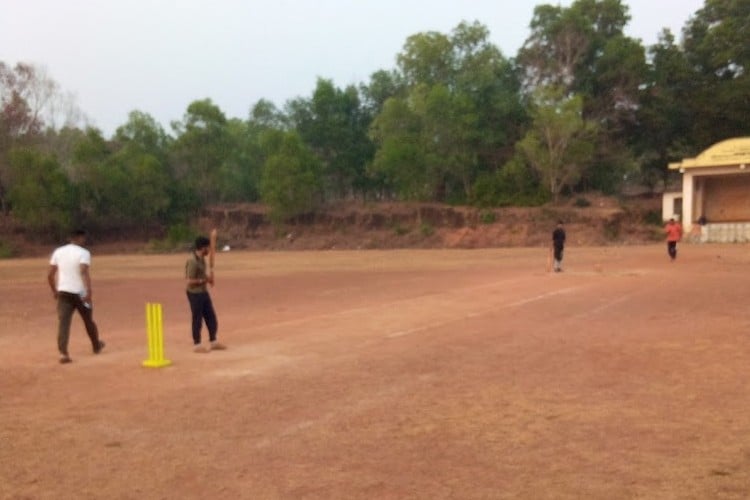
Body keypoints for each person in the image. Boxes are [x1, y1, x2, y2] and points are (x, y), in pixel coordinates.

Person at [47, 228, 105, 364]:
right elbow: (83, 272)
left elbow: (50, 275)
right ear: (80, 238)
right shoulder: (84, 253)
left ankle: (63, 353)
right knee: (88, 319)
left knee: (63, 323)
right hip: (80, 292)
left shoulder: (58, 252)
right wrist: (89, 291)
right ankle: (96, 345)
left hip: (63, 292)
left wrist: (55, 291)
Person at [185, 236, 226, 353]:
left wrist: (209, 278)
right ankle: (197, 344)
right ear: (202, 248)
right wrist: (204, 281)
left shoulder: (202, 259)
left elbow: (202, 274)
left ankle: (213, 341)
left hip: (203, 292)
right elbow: (189, 281)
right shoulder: (192, 261)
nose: (208, 250)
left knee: (211, 317)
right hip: (194, 294)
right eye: (207, 248)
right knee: (197, 318)